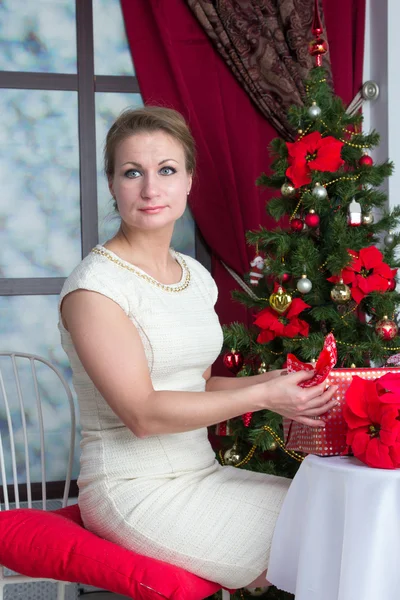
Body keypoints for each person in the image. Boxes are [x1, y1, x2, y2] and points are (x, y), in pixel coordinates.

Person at [58, 106, 337, 590]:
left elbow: (200, 384)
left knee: (331, 511)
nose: (150, 189)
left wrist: (271, 381)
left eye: (166, 170)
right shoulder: (94, 290)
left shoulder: (194, 277)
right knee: (321, 539)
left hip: (202, 475)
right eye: (132, 173)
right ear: (111, 185)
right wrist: (265, 397)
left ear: (189, 180)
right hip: (134, 493)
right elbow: (143, 414)